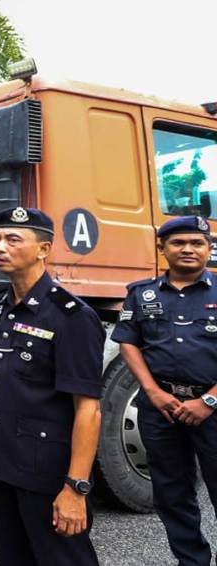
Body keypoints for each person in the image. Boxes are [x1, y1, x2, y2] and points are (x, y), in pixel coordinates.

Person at [0, 207, 103, 566]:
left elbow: (89, 408)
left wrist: (75, 488)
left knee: (63, 558)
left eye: (12, 239)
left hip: (45, 469)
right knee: (12, 557)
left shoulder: (72, 316)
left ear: (43, 249)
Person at [111, 215, 217, 566]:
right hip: (161, 408)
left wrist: (209, 400)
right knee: (172, 493)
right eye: (178, 242)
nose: (188, 249)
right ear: (162, 248)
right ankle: (192, 562)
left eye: (197, 243)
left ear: (208, 248)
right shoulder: (142, 294)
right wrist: (153, 392)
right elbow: (129, 343)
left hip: (213, 408)